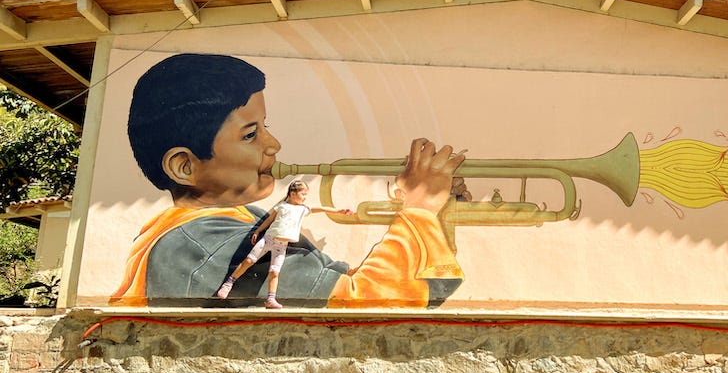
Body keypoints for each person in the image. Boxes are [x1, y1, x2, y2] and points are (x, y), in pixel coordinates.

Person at [110, 53, 465, 309]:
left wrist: (435, 214)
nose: (274, 144)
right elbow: (366, 302)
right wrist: (418, 208)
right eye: (250, 134)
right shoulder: (209, 246)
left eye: (265, 127)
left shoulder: (242, 222)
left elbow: (369, 284)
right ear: (184, 166)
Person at [216, 179, 351, 309]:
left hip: (281, 246)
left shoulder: (303, 209)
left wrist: (338, 211)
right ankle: (228, 283)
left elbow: (321, 208)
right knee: (249, 261)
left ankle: (270, 299)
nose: (305, 197)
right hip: (268, 239)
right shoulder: (282, 206)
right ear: (293, 193)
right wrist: (258, 231)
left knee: (274, 272)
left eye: (306, 195)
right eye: (303, 194)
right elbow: (269, 220)